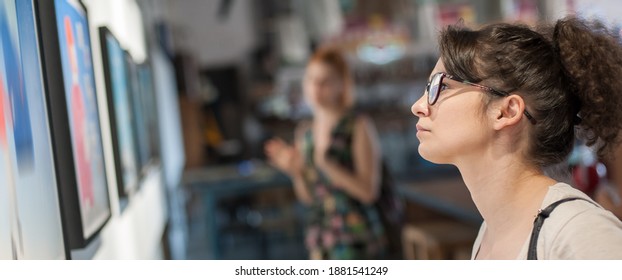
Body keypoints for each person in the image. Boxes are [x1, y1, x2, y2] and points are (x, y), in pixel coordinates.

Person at [411, 16, 622, 259]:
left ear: (506, 111)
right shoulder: (490, 231)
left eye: (442, 86)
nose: (418, 106)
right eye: (428, 88)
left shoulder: (578, 232)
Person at [264, 47, 387, 260]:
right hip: (321, 236)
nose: (316, 87)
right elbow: (310, 197)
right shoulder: (306, 132)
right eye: (311, 79)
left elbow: (368, 192)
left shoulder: (357, 126)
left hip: (355, 236)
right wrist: (295, 172)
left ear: (341, 84)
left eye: (325, 81)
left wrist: (327, 165)